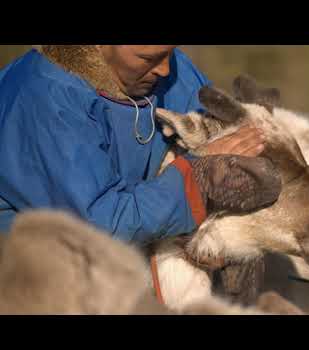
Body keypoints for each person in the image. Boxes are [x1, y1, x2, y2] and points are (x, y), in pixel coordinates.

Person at [0, 45, 281, 247]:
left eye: (170, 52)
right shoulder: (43, 99)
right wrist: (201, 178)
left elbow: (217, 132)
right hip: (40, 276)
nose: (165, 68)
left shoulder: (167, 70)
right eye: (149, 58)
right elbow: (100, 225)